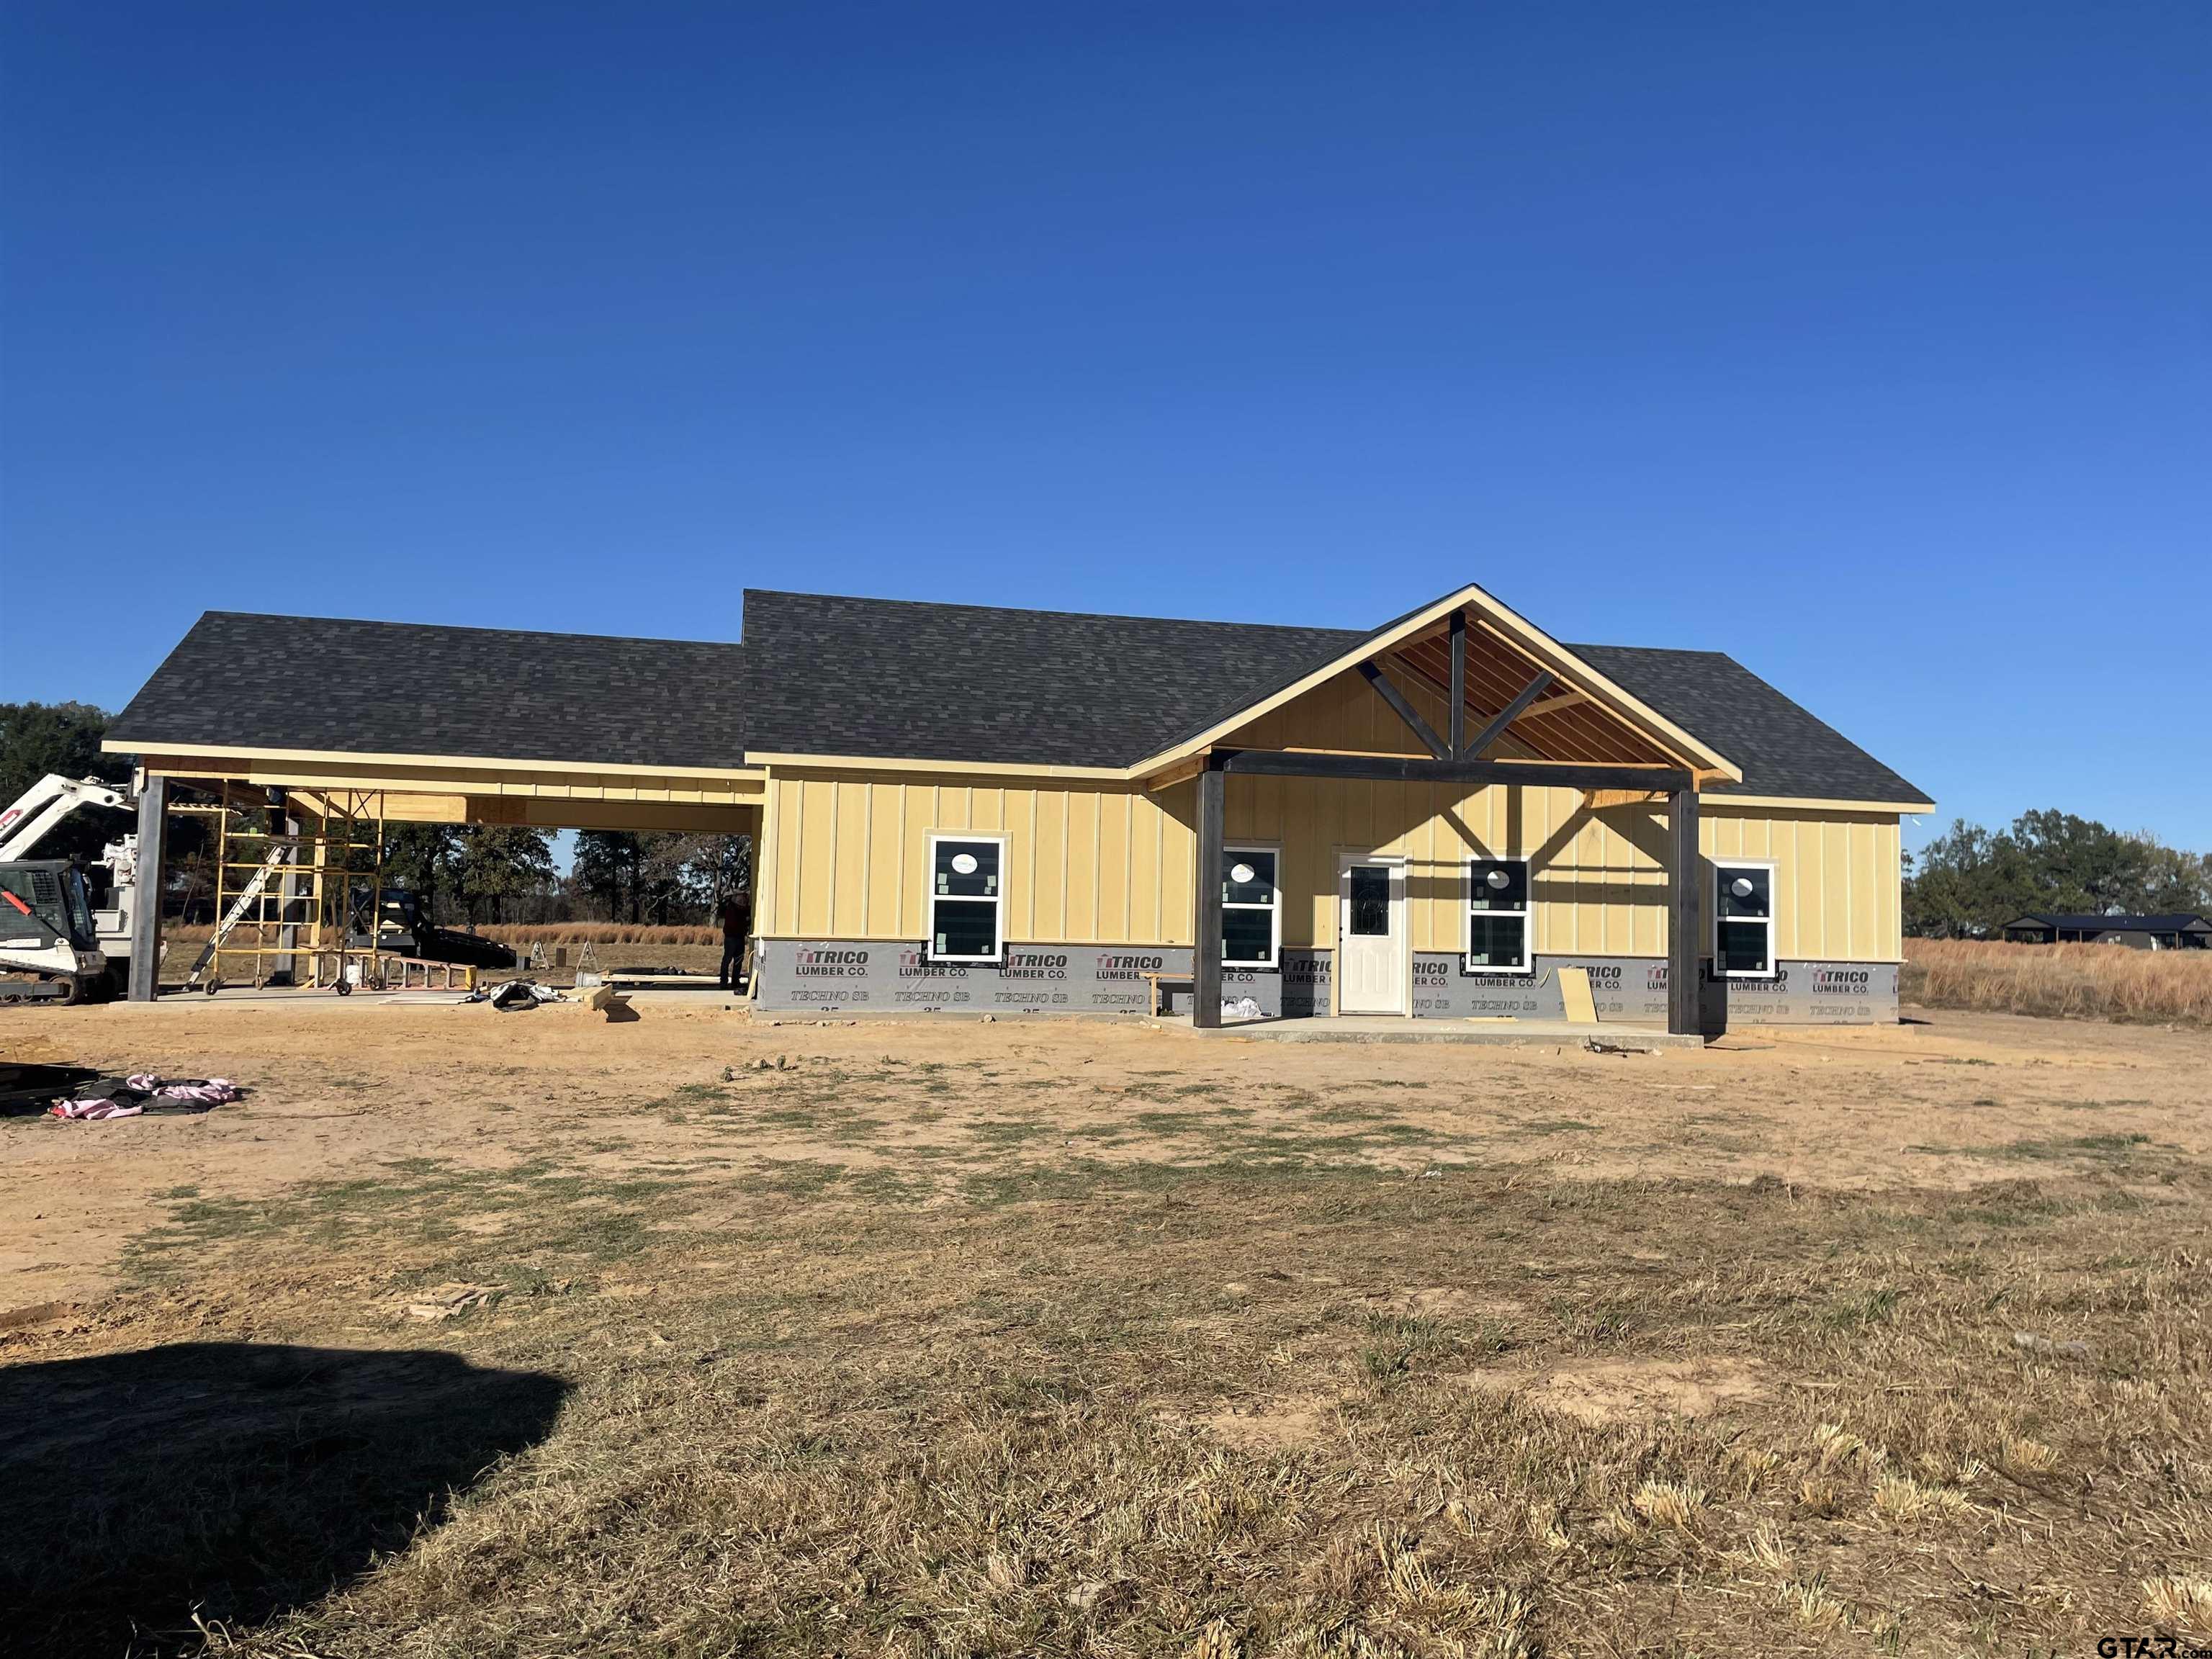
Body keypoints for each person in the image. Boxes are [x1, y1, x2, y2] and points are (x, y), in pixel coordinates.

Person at [716, 891, 751, 989]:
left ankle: (733, 982)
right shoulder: (733, 909)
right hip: (732, 937)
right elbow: (736, 923)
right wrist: (746, 924)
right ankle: (725, 982)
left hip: (737, 937)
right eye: (742, 900)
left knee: (737, 961)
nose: (744, 901)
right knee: (729, 960)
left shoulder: (736, 909)